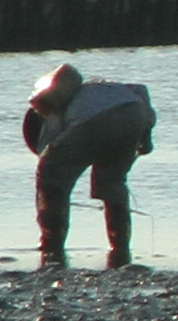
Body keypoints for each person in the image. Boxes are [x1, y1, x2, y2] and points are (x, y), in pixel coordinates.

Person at [18, 61, 157, 267]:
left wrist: (48, 165)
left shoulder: (52, 116)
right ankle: (120, 247)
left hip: (93, 120)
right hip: (133, 113)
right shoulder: (101, 88)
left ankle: (51, 243)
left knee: (51, 179)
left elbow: (49, 159)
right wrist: (145, 135)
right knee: (112, 183)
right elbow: (141, 93)